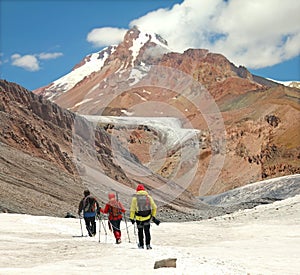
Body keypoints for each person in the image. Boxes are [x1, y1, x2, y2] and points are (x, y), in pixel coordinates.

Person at [130, 183, 159, 250]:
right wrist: (153, 216)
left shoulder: (135, 198)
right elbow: (154, 207)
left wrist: (132, 218)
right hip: (147, 218)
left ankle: (141, 245)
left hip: (138, 219)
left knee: (140, 232)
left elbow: (132, 209)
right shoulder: (148, 197)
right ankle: (148, 245)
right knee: (147, 232)